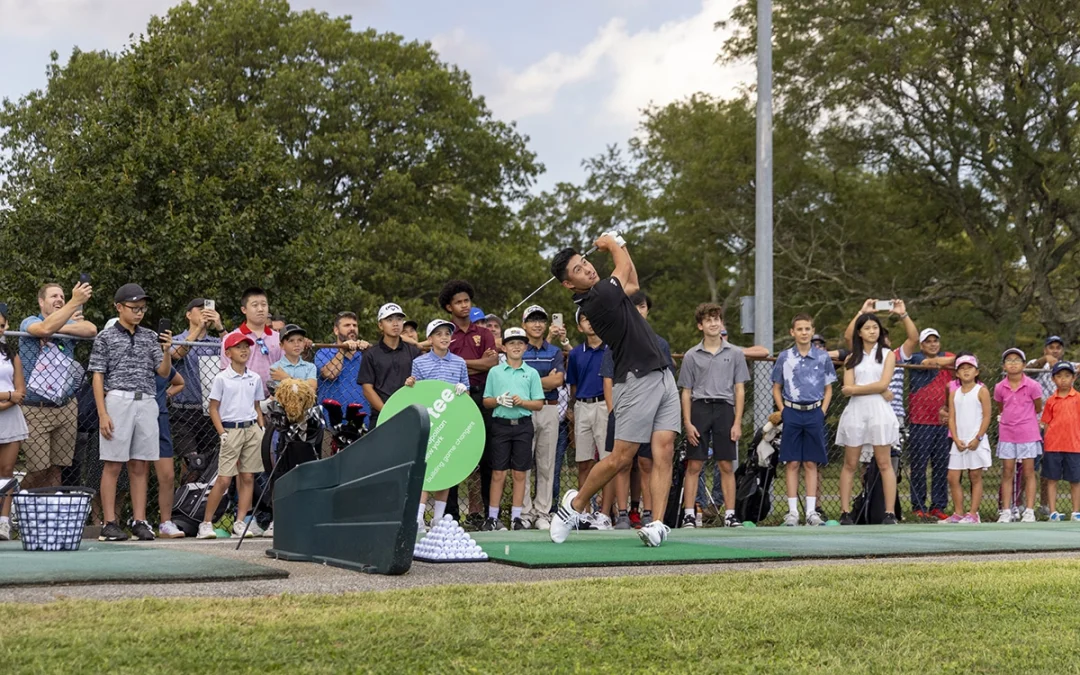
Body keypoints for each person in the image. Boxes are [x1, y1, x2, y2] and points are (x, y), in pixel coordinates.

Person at [549, 235, 681, 547]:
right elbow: (621, 267)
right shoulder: (598, 297)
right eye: (578, 270)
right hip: (635, 379)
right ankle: (574, 506)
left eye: (586, 262)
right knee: (622, 458)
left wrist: (623, 246)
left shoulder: (610, 291)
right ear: (569, 284)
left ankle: (658, 524)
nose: (588, 270)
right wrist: (611, 244)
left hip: (661, 373)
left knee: (665, 449)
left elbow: (632, 279)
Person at [89, 284, 173, 542]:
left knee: (140, 463)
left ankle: (139, 520)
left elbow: (163, 372)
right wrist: (103, 413)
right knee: (113, 463)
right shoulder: (105, 337)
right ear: (119, 307)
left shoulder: (149, 336)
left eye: (142, 308)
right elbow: (97, 376)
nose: (139, 312)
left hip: (146, 401)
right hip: (118, 399)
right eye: (134, 308)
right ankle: (109, 522)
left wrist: (167, 350)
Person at [19, 281, 97, 490]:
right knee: (38, 468)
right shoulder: (29, 322)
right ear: (41, 301)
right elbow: (43, 328)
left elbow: (91, 329)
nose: (60, 300)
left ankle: (50, 515)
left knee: (56, 467)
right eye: (54, 296)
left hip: (66, 407)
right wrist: (74, 303)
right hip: (36, 408)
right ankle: (12, 501)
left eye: (62, 297)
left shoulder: (66, 324)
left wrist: (59, 327)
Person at [678, 302, 749, 528]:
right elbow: (686, 391)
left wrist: (737, 422)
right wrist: (687, 423)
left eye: (717, 319)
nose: (713, 323)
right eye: (708, 320)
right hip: (699, 408)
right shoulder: (691, 355)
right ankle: (689, 514)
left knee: (726, 464)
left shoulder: (735, 353)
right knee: (695, 465)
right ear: (700, 325)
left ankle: (730, 514)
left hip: (724, 410)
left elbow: (739, 389)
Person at [197, 333, 267, 539]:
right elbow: (213, 408)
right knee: (225, 479)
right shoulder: (221, 378)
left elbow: (256, 406)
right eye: (239, 347)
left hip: (251, 429)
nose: (244, 350)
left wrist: (261, 428)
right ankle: (206, 523)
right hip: (231, 430)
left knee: (248, 477)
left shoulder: (254, 377)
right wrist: (222, 433)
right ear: (228, 353)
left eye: (246, 347)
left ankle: (240, 522)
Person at [441, 280, 498, 527]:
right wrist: (476, 362)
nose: (464, 306)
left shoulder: (484, 333)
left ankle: (487, 515)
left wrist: (457, 361)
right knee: (452, 453)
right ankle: (450, 514)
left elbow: (491, 364)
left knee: (486, 457)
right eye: (458, 302)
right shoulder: (444, 334)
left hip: (481, 396)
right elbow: (443, 362)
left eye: (467, 301)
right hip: (454, 397)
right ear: (448, 307)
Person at [835, 313, 901, 525]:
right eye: (867, 328)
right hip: (856, 412)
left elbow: (883, 384)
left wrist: (857, 388)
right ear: (860, 332)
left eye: (875, 327)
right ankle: (845, 512)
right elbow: (846, 390)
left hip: (879, 412)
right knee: (850, 463)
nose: (872, 331)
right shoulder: (851, 358)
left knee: (884, 462)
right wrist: (862, 389)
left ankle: (889, 513)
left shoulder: (888, 354)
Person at [771, 313, 836, 527]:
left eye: (807, 329)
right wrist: (783, 410)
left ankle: (811, 511)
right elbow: (777, 387)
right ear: (793, 332)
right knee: (792, 462)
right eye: (799, 329)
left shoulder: (822, 357)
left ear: (812, 330)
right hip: (792, 412)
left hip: (814, 412)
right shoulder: (784, 357)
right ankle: (792, 512)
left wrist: (822, 411)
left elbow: (828, 388)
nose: (804, 333)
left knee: (811, 462)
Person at [407, 319, 470, 529]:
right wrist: (410, 384)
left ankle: (438, 518)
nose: (444, 337)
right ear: (430, 339)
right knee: (426, 469)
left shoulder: (460, 362)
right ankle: (418, 517)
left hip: (451, 423)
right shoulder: (420, 362)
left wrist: (463, 389)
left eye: (447, 333)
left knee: (446, 467)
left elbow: (467, 393)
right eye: (439, 333)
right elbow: (416, 392)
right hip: (430, 422)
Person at [482, 327, 544, 530]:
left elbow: (538, 403)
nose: (516, 347)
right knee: (498, 472)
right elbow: (487, 401)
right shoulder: (495, 372)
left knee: (520, 473)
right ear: (504, 347)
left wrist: (522, 402)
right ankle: (492, 517)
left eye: (520, 343)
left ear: (525, 347)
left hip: (523, 426)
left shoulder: (531, 373)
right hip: (500, 426)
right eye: (511, 343)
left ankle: (517, 518)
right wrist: (499, 400)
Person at [901, 322, 956, 521]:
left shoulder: (949, 358)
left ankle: (938, 506)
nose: (932, 345)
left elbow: (965, 361)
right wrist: (948, 361)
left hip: (943, 423)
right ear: (922, 345)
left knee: (941, 465)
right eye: (928, 342)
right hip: (920, 421)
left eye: (935, 341)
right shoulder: (917, 358)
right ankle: (918, 505)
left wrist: (950, 361)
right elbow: (928, 364)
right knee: (919, 465)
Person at [519, 304, 565, 530]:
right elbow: (517, 382)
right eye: (532, 320)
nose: (537, 324)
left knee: (546, 464)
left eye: (541, 320)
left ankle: (543, 513)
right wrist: (542, 380)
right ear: (524, 325)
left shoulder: (554, 351)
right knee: (524, 463)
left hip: (549, 408)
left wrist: (529, 381)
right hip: (525, 409)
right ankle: (525, 512)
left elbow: (557, 381)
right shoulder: (519, 350)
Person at [565, 308, 610, 522]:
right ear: (578, 326)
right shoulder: (575, 354)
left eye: (593, 317)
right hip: (583, 407)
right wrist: (574, 410)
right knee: (583, 462)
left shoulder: (612, 349)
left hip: (605, 406)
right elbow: (573, 386)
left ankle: (605, 513)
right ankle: (582, 513)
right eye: (584, 319)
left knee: (608, 462)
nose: (589, 322)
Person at [170, 298, 224, 474]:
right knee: (191, 463)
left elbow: (234, 353)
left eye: (206, 309)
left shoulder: (216, 342)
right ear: (188, 314)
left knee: (209, 465)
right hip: (183, 410)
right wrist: (198, 329)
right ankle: (184, 499)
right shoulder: (177, 339)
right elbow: (176, 354)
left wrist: (219, 326)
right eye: (199, 309)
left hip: (210, 411)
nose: (204, 312)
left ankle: (202, 501)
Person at [940, 354, 992, 524]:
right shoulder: (954, 393)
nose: (966, 371)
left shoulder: (981, 391)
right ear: (957, 374)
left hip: (975, 441)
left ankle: (973, 513)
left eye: (969, 368)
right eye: (962, 368)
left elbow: (986, 417)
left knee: (975, 476)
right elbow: (952, 418)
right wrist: (955, 438)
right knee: (952, 477)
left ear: (976, 372)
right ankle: (959, 512)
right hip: (959, 442)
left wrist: (978, 438)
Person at [994, 347, 1044, 523]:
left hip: (1028, 433)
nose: (1013, 363)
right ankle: (1006, 510)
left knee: (1029, 472)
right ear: (1004, 366)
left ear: (1024, 364)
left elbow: (1037, 407)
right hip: (1007, 433)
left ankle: (1029, 510)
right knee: (1008, 471)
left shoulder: (1033, 385)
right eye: (1009, 360)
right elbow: (1001, 407)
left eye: (1017, 360)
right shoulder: (1000, 387)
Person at [357, 304, 420, 427]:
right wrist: (388, 412)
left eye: (399, 319)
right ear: (380, 325)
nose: (395, 323)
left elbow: (421, 382)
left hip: (411, 415)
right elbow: (367, 389)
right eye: (389, 320)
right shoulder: (371, 354)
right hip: (381, 416)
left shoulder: (414, 352)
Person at [0, 305, 29, 541]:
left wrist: (7, 400)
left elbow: (20, 392)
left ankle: (4, 522)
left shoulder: (11, 354)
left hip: (10, 419)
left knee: (7, 472)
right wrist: (8, 396)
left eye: (1, 325)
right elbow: (12, 394)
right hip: (7, 405)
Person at [220, 287, 281, 398]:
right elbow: (225, 373)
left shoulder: (279, 338)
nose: (260, 309)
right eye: (255, 305)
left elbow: (284, 368)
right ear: (244, 310)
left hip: (274, 399)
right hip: (242, 398)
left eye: (264, 304)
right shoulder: (230, 338)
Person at [1039, 361, 1080, 521]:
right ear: (1053, 379)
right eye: (1059, 376)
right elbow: (1046, 423)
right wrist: (1047, 443)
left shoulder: (1078, 398)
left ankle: (1076, 511)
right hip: (1053, 446)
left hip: (1074, 446)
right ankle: (1053, 512)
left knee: (1075, 480)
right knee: (1052, 479)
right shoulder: (1050, 400)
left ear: (1074, 378)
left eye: (1067, 376)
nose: (1063, 379)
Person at [315, 311, 371, 426]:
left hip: (364, 421)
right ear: (336, 330)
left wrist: (369, 351)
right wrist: (342, 349)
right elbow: (330, 374)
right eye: (347, 325)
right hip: (332, 423)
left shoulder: (365, 355)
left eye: (354, 325)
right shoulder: (324, 352)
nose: (352, 328)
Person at [153, 365, 186, 538]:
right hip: (138, 415)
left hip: (161, 418)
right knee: (138, 469)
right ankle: (139, 521)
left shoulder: (162, 363)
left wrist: (165, 395)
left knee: (168, 475)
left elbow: (180, 382)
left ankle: (166, 522)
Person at [270, 324, 317, 392]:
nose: (296, 344)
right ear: (282, 345)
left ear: (304, 343)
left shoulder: (310, 367)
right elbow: (282, 394)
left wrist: (286, 378)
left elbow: (311, 390)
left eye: (300, 340)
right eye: (291, 341)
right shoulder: (275, 368)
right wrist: (303, 386)